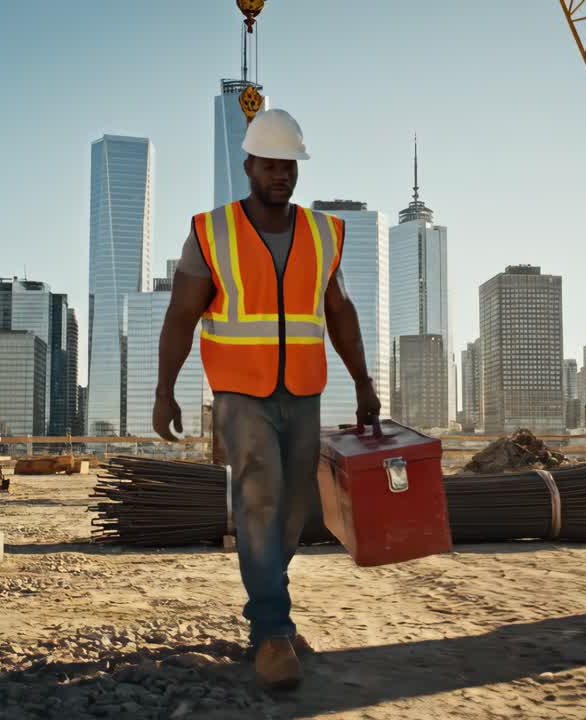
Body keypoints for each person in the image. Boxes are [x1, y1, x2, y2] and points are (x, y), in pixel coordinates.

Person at [152, 108, 381, 689]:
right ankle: (275, 632)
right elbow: (182, 314)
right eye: (271, 164)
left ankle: (265, 614)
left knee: (293, 512)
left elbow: (340, 312)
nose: (281, 174)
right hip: (240, 392)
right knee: (259, 498)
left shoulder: (325, 233)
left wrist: (364, 383)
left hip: (303, 390)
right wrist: (165, 389)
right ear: (249, 164)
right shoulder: (212, 231)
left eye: (290, 165)